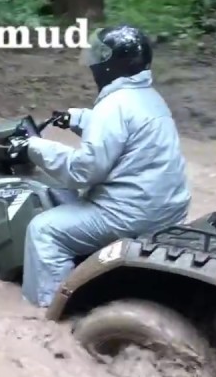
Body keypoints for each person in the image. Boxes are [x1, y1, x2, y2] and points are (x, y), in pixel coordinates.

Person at [17, 24, 192, 308]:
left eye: (100, 57)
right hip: (167, 209)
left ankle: (49, 311)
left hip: (131, 215)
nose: (94, 64)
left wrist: (32, 146)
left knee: (43, 229)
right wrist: (77, 119)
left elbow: (83, 171)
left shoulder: (113, 106)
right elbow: (122, 134)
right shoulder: (148, 97)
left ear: (112, 64)